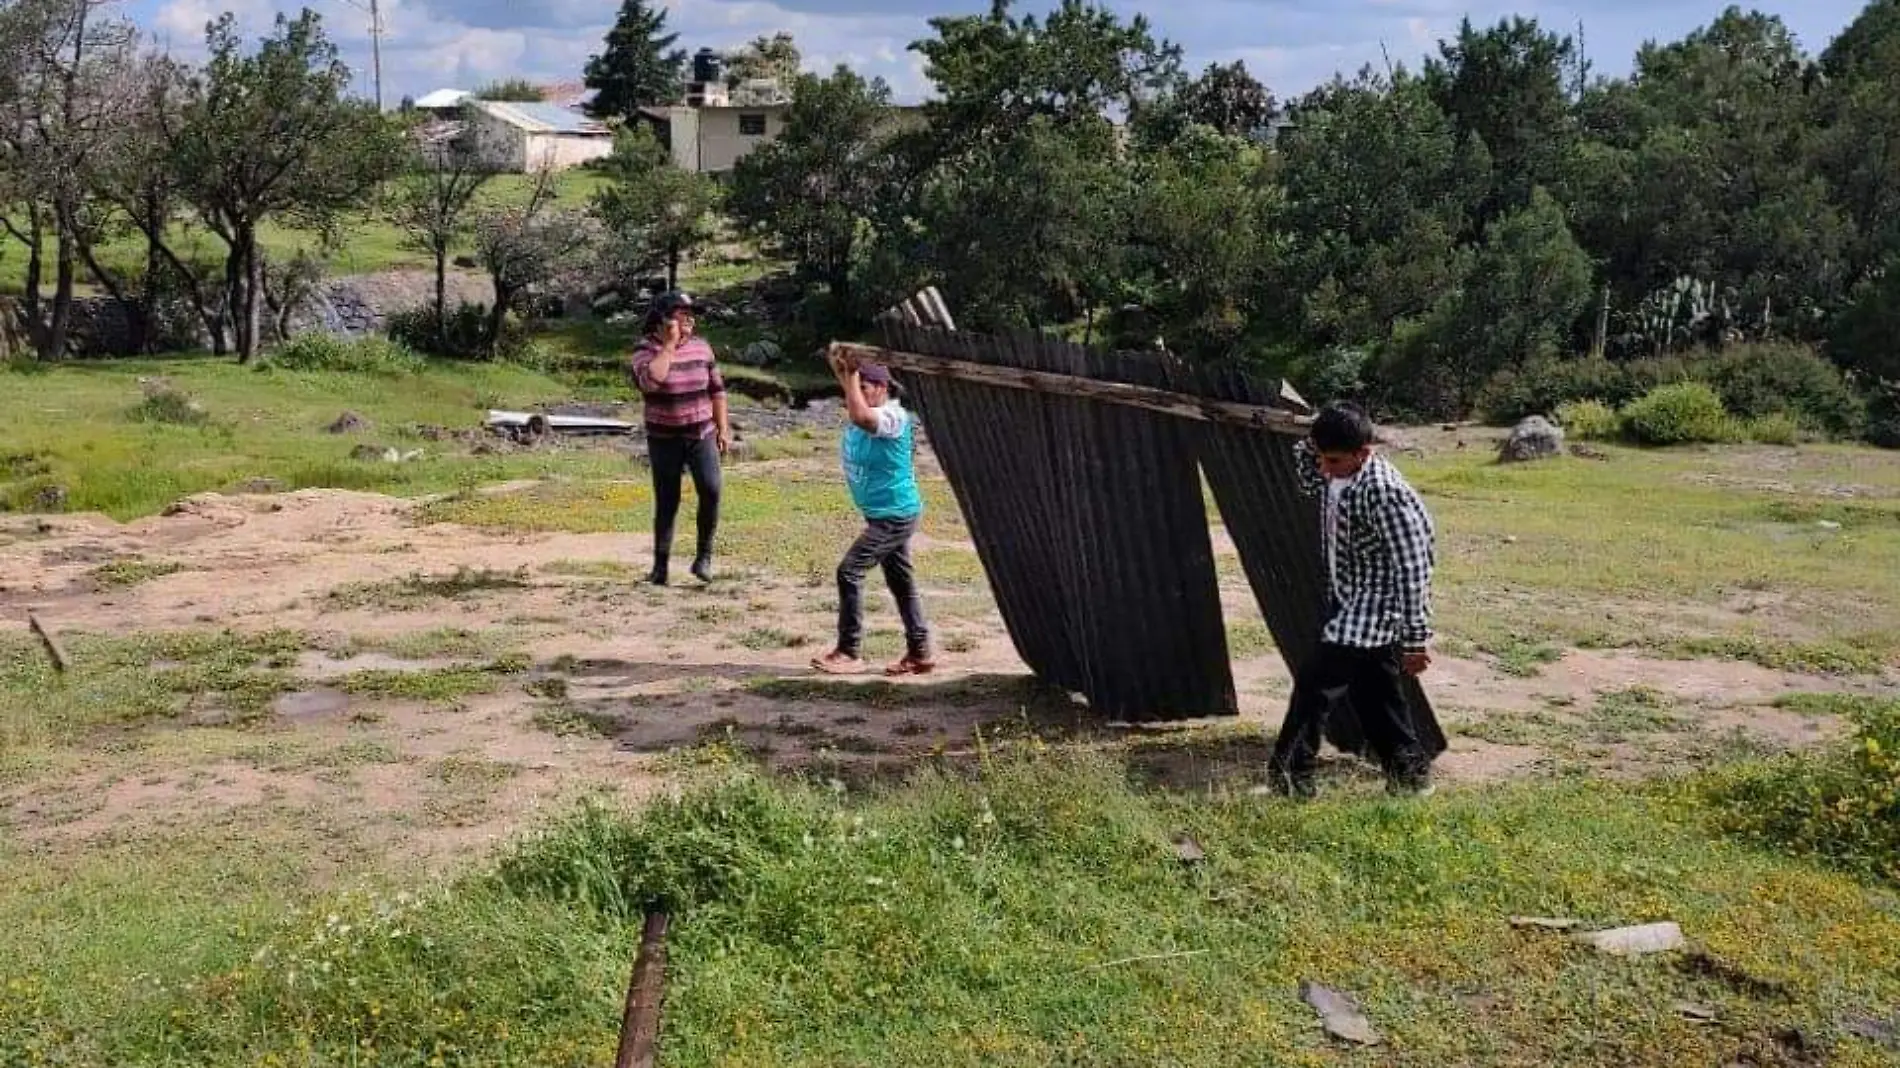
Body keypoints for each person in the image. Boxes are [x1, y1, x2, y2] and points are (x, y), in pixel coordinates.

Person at [1266, 402, 1438, 798]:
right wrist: (1314, 444)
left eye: (1333, 461)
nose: (1325, 469)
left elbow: (1413, 569)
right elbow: (1311, 474)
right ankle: (1410, 777)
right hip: (1345, 600)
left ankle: (1291, 779)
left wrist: (1415, 639)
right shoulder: (1335, 469)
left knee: (1313, 687)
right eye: (1321, 458)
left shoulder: (1385, 494)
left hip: (1371, 609)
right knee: (1377, 697)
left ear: (1364, 452)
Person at [811, 353, 935, 677]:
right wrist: (841, 365)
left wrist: (850, 373)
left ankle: (849, 651)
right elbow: (854, 401)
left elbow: (863, 418)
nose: (855, 392)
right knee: (901, 582)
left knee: (849, 571)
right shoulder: (866, 406)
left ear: (881, 387)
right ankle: (920, 652)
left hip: (895, 515)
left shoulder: (893, 417)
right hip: (881, 514)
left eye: (862, 386)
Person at [629, 291, 729, 586]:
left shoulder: (702, 348)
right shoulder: (645, 350)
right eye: (682, 313)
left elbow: (717, 390)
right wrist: (670, 345)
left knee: (711, 490)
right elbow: (650, 382)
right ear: (663, 319)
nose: (689, 318)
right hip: (664, 438)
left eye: (691, 313)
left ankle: (704, 558)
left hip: (701, 434)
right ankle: (660, 568)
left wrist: (723, 427)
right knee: (667, 500)